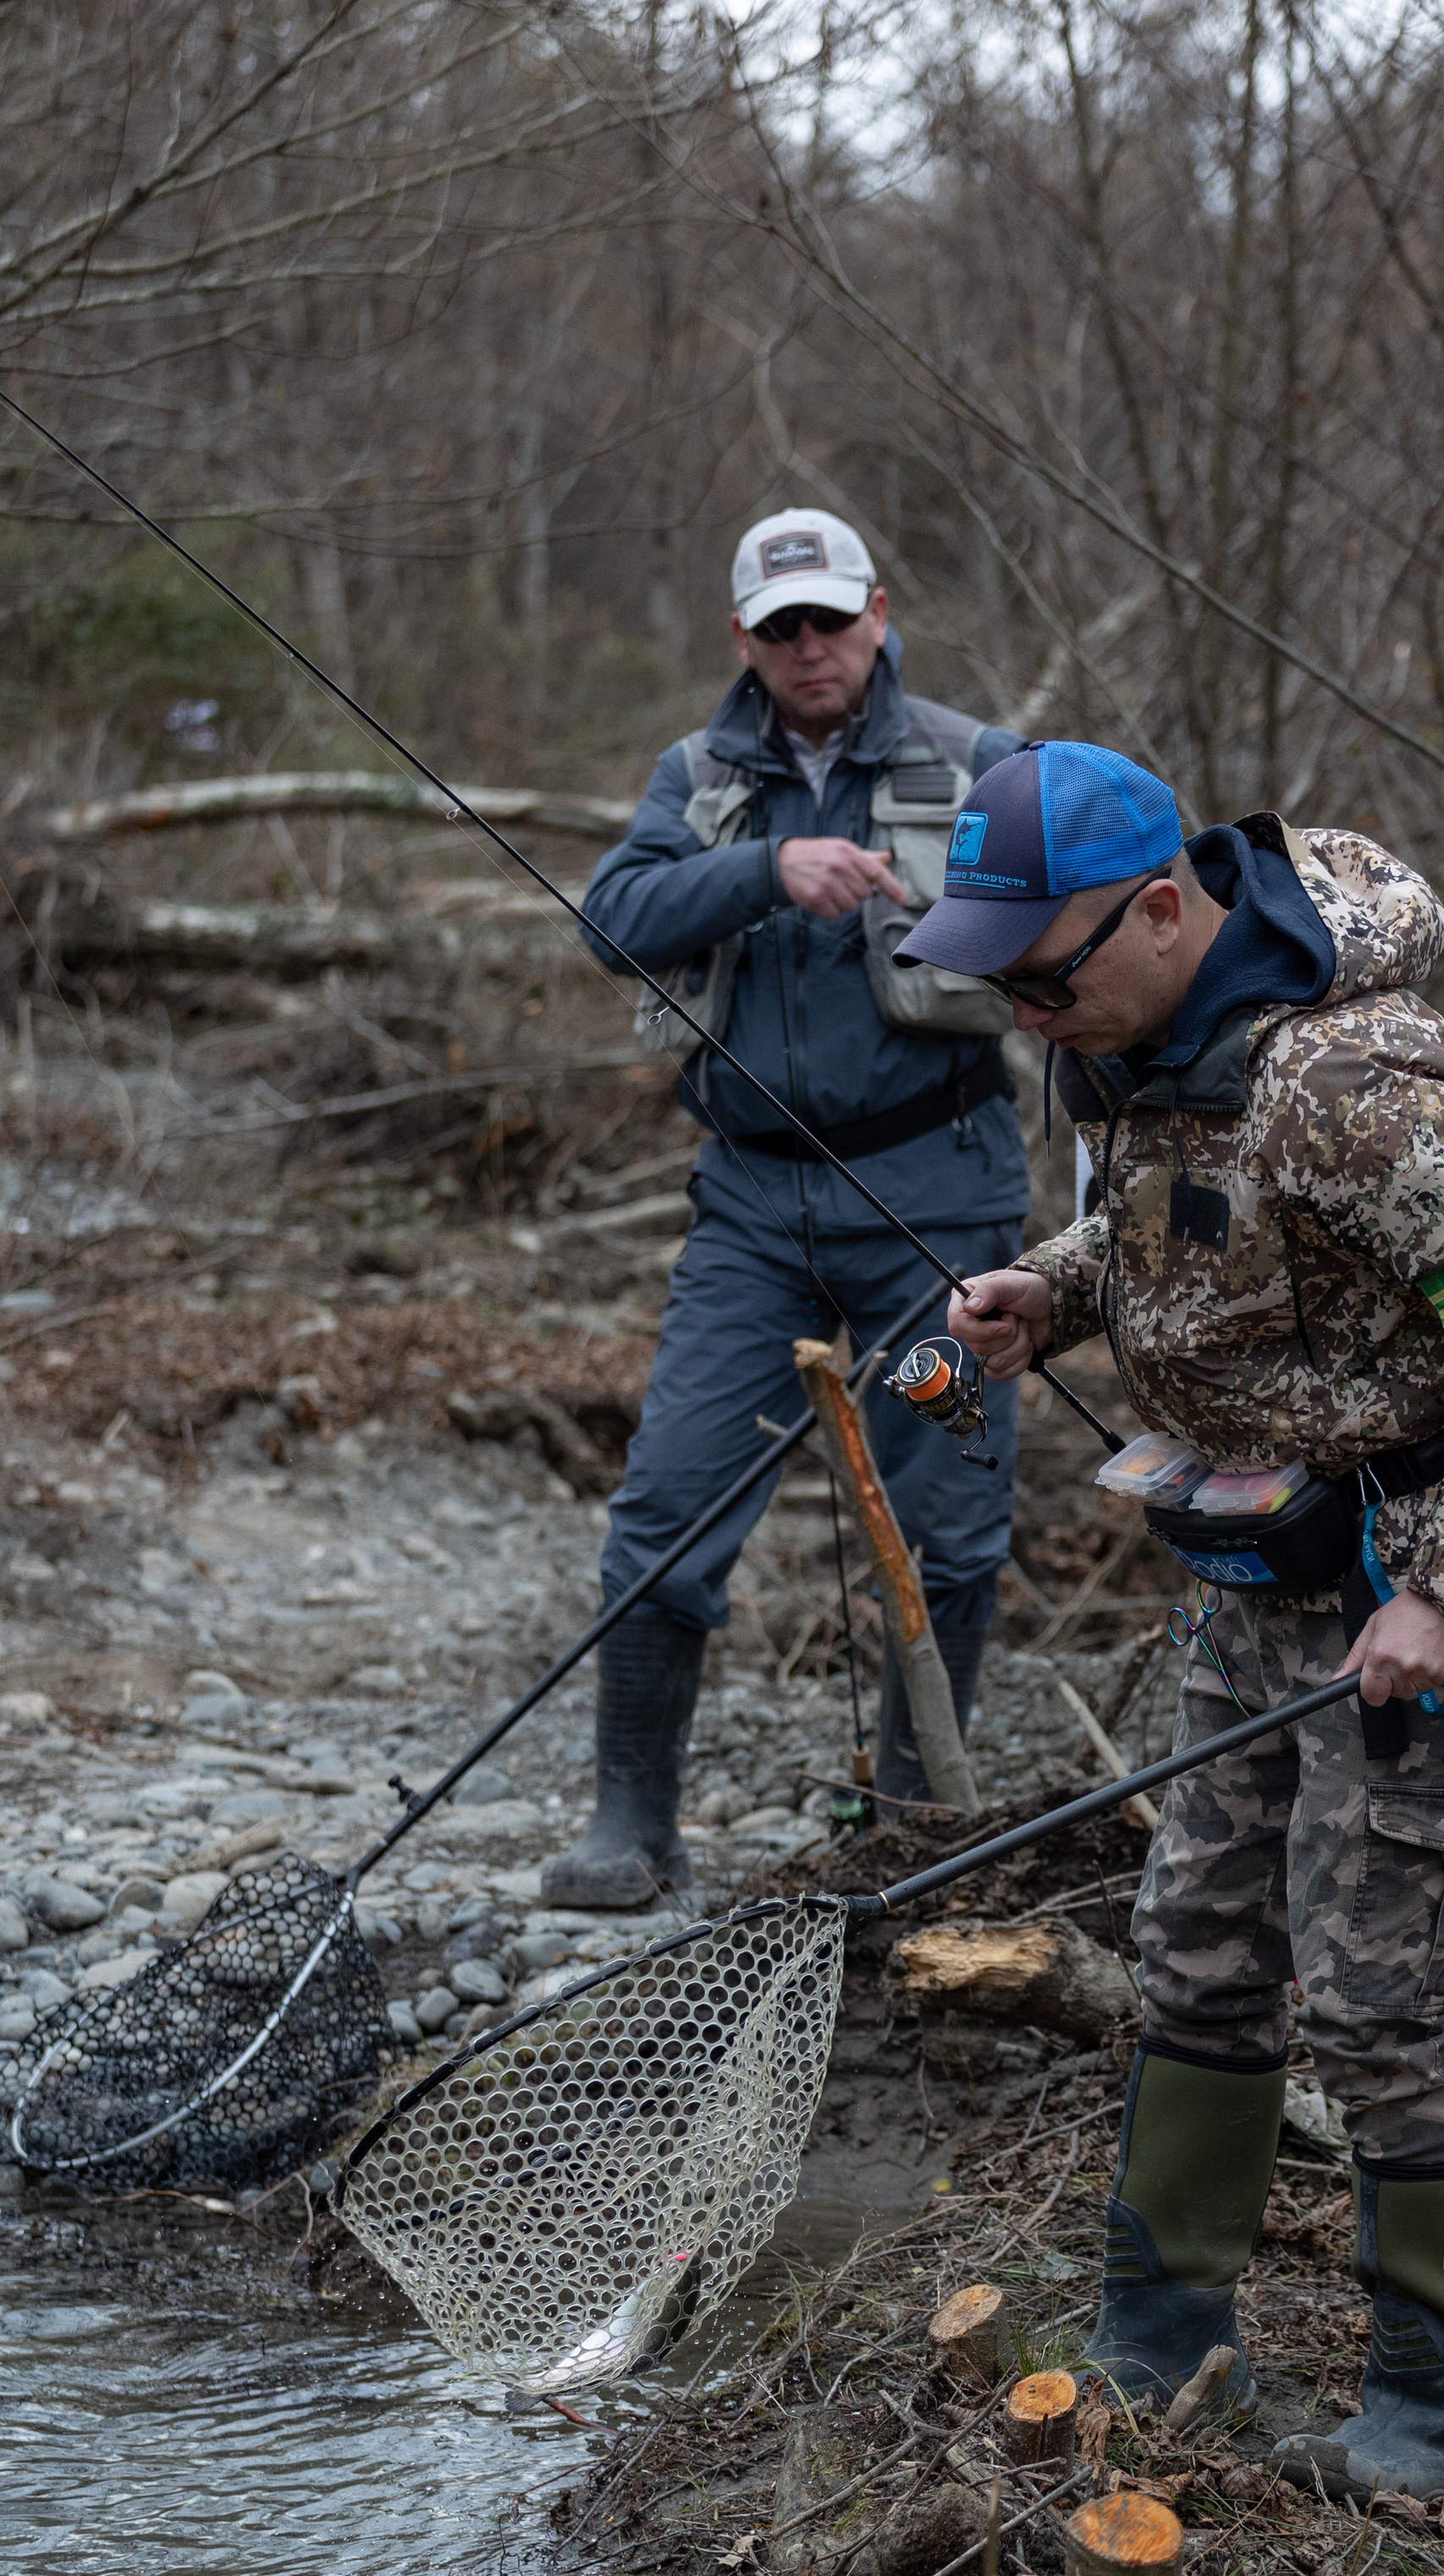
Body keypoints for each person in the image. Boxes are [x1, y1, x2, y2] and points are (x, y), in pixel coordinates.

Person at [902, 742, 1444, 2503]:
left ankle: (1419, 2405)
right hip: (1247, 1586)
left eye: (1036, 973)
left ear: (1162, 908)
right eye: (989, 976)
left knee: (1375, 1993)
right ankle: (1166, 2338)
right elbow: (1186, 1243)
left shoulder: (1359, 1082)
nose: (1017, 1010)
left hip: (1407, 1585)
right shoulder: (1139, 1047)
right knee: (1198, 1947)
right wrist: (1048, 1297)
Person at [544, 509, 1030, 1906]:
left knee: (948, 1527)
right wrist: (766, 870)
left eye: (830, 620)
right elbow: (608, 919)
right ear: (744, 643)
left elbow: (1084, 936)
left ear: (880, 612)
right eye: (781, 630)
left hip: (941, 1211)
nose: (810, 650)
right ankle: (630, 1829)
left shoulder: (979, 763)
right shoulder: (697, 776)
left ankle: (909, 1834)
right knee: (666, 1508)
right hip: (750, 1213)